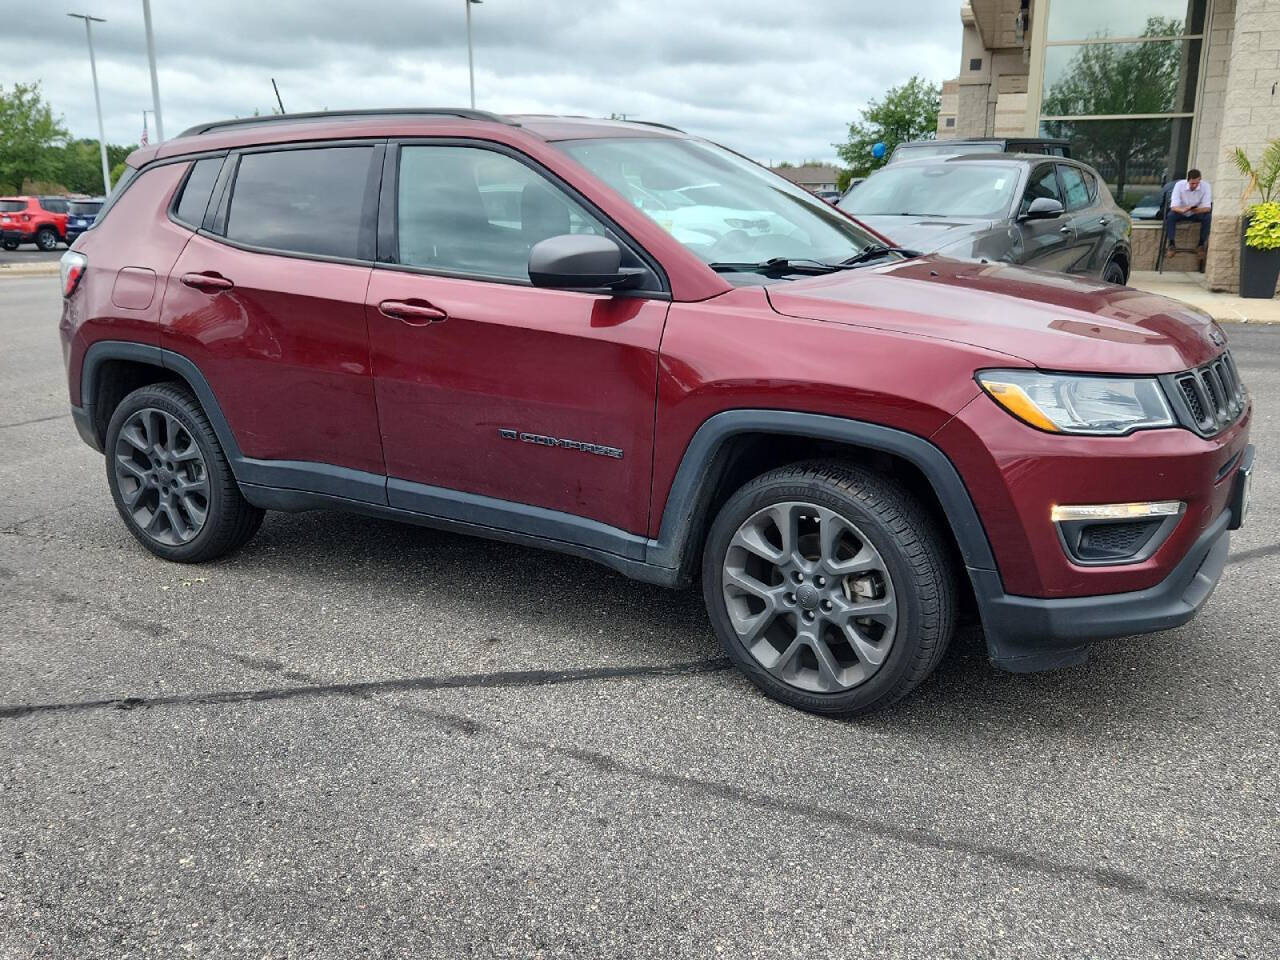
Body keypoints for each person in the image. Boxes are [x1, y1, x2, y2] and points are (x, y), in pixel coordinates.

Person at [1165, 169, 1212, 266]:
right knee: (1170, 216)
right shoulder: (1179, 185)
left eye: (1196, 183)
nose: (1194, 186)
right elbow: (1173, 206)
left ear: (1200, 180)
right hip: (1181, 211)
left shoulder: (1206, 186)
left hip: (1196, 212)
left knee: (1208, 217)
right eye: (1192, 183)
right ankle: (1171, 244)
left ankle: (1200, 245)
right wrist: (1182, 210)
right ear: (1188, 181)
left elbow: (1207, 208)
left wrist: (1196, 210)